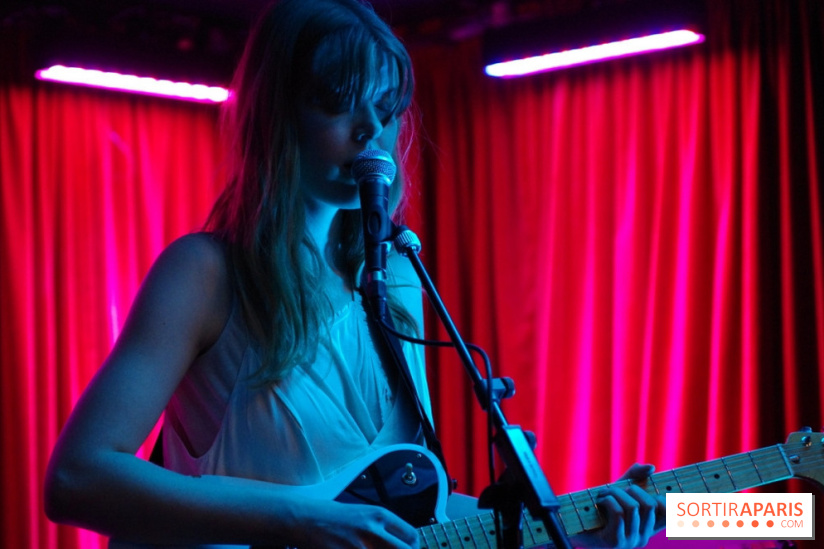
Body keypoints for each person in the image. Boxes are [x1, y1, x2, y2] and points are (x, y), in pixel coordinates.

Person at [44, 0, 665, 547]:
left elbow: (402, 514)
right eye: (340, 102)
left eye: (388, 107)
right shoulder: (206, 271)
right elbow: (77, 477)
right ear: (279, 115)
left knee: (730, 506)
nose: (373, 130)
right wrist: (293, 519)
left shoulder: (395, 280)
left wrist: (574, 533)